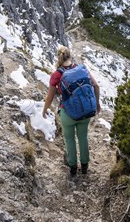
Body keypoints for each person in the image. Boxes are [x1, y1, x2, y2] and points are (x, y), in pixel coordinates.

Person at [42, 45, 101, 177]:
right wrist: (97, 104)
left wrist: (44, 110)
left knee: (69, 139)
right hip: (86, 111)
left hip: (68, 114)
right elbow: (96, 85)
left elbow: (50, 97)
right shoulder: (82, 69)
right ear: (70, 56)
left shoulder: (57, 75)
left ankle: (73, 168)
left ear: (59, 58)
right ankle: (85, 167)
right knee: (83, 137)